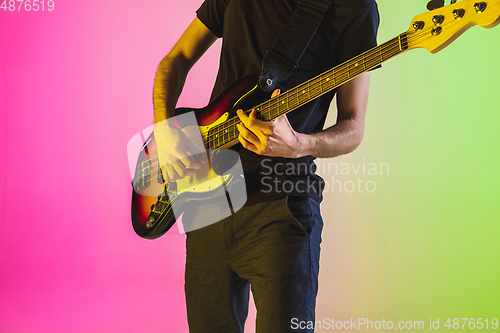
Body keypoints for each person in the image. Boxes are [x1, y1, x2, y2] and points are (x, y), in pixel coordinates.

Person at [152, 0, 380, 332]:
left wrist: (299, 144)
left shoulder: (354, 8)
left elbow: (353, 127)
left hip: (282, 208)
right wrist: (164, 131)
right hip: (208, 203)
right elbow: (176, 58)